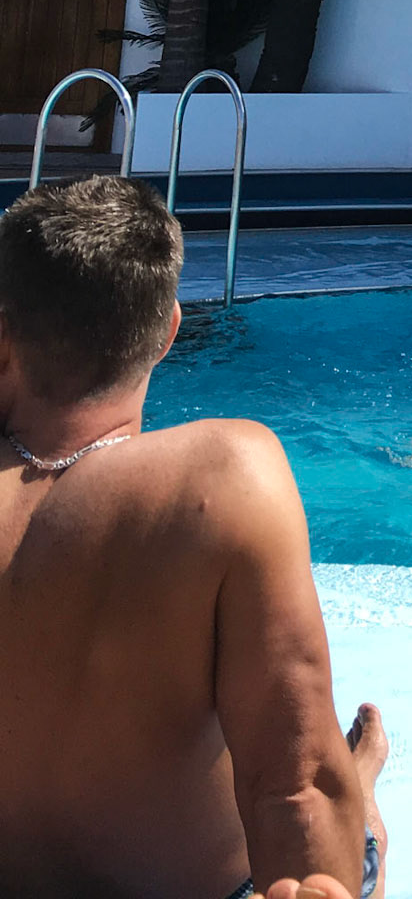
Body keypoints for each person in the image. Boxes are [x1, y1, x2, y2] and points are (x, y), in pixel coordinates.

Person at [0, 173, 388, 898]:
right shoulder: (220, 476)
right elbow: (295, 785)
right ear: (169, 331)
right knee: (348, 811)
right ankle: (368, 804)